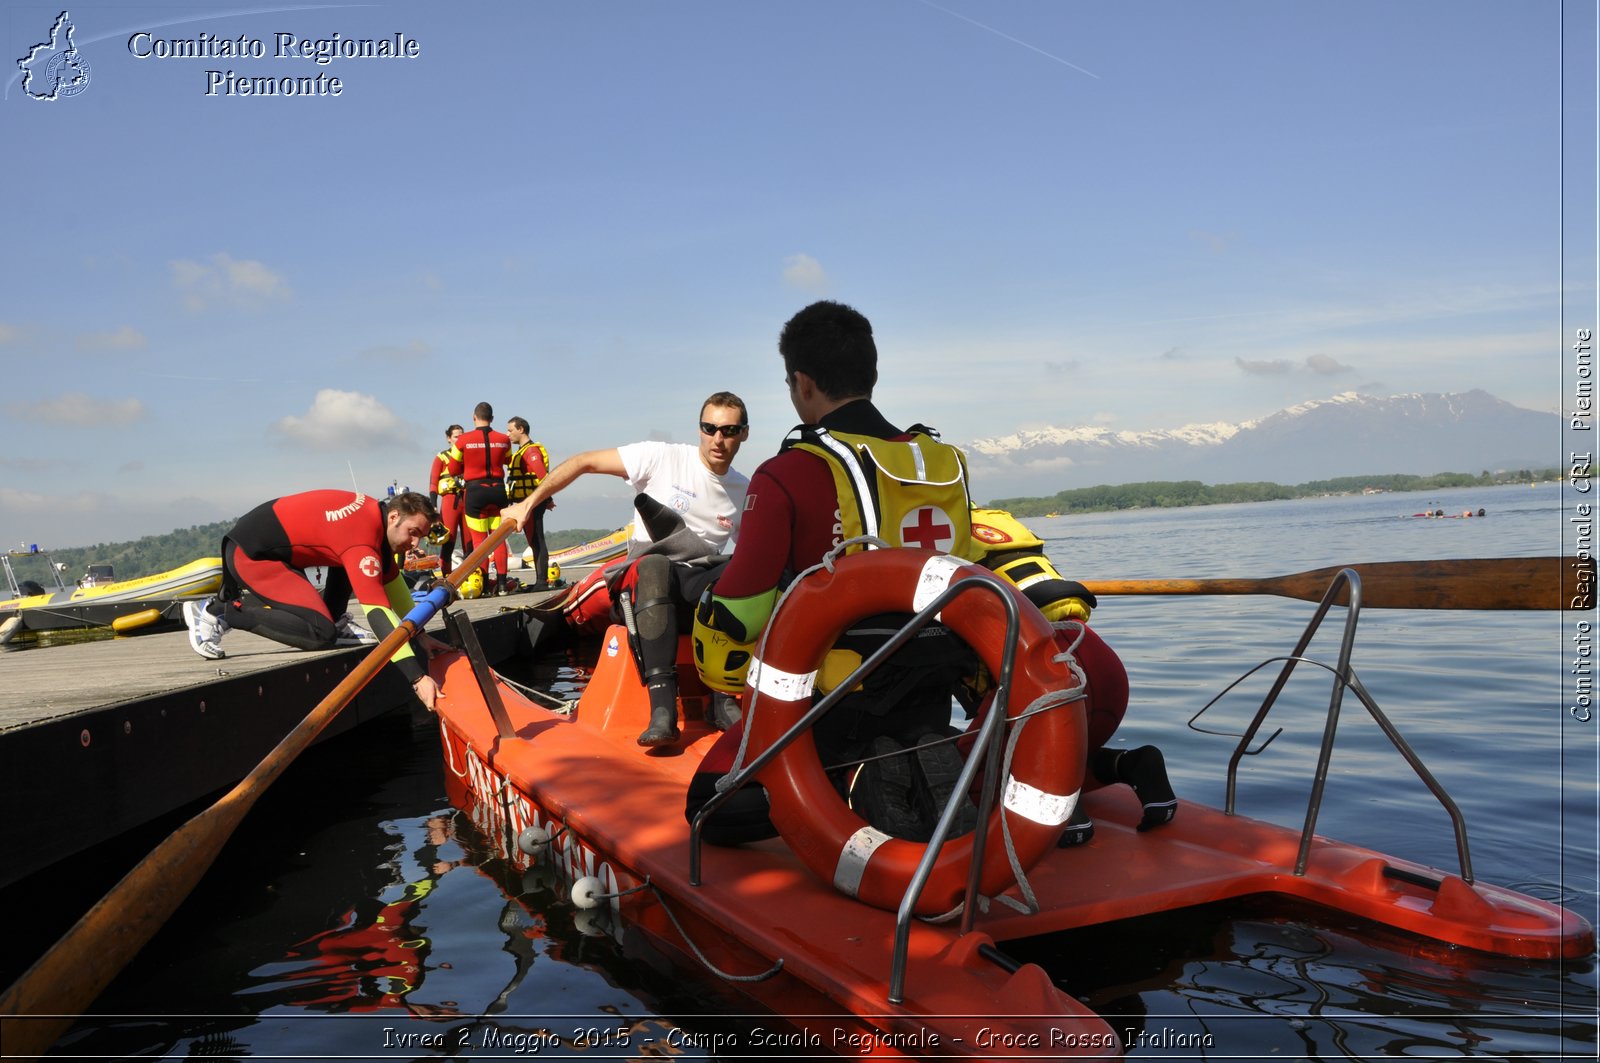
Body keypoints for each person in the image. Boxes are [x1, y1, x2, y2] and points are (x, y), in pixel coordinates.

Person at [503, 392, 750, 746]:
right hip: (642, 584)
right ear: (699, 429)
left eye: (729, 430)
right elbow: (583, 462)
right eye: (709, 428)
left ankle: (723, 698)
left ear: (743, 433)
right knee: (654, 566)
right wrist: (526, 505)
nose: (718, 439)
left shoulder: (744, 489)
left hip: (696, 593)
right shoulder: (662, 457)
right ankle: (662, 710)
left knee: (740, 570)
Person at [180, 490, 449, 710]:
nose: (416, 544)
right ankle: (225, 611)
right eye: (413, 532)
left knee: (347, 580)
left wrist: (422, 637)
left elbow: (393, 586)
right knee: (321, 633)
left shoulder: (375, 523)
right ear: (393, 517)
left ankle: (334, 618)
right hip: (252, 556)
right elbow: (378, 613)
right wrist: (417, 678)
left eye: (421, 537)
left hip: (275, 551)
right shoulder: (361, 539)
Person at [448, 402, 513, 596]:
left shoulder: (463, 440)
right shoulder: (504, 439)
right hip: (498, 490)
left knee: (480, 542)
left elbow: (452, 469)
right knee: (499, 538)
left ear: (474, 417)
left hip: (475, 492)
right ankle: (501, 585)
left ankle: (484, 585)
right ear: (492, 418)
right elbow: (508, 461)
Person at [505, 416, 553, 591]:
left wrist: (547, 498)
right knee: (533, 540)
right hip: (525, 501)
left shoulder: (531, 452)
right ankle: (540, 580)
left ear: (521, 430)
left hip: (532, 502)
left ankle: (542, 582)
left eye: (510, 430)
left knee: (536, 539)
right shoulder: (522, 450)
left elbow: (543, 477)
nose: (507, 434)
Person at [427, 424, 466, 577]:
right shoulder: (441, 457)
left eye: (462, 436)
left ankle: (474, 577)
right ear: (449, 439)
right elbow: (433, 483)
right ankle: (446, 578)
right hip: (450, 502)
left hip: (468, 501)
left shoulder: (468, 456)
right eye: (456, 436)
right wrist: (433, 506)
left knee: (470, 544)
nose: (459, 439)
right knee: (448, 542)